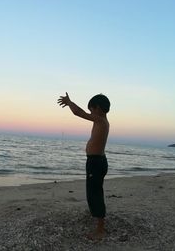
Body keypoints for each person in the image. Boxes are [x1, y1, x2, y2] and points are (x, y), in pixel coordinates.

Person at [57, 92, 110, 241]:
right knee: (93, 191)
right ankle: (96, 215)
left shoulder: (100, 120)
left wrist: (69, 102)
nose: (90, 113)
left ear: (98, 108)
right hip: (97, 161)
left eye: (91, 110)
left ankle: (100, 229)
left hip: (96, 162)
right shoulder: (101, 121)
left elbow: (78, 113)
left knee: (95, 193)